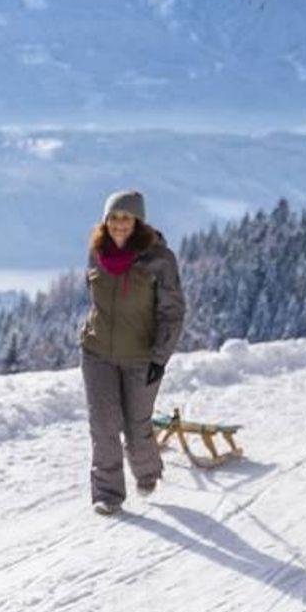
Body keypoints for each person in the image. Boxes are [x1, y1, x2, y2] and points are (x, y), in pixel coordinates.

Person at [80, 190, 185, 515]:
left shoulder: (159, 260)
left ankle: (148, 471)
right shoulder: (97, 252)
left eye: (126, 217)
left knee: (136, 425)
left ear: (138, 221)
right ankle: (108, 494)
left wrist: (160, 358)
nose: (119, 224)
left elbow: (172, 312)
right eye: (113, 217)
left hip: (141, 357)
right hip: (97, 352)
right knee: (103, 425)